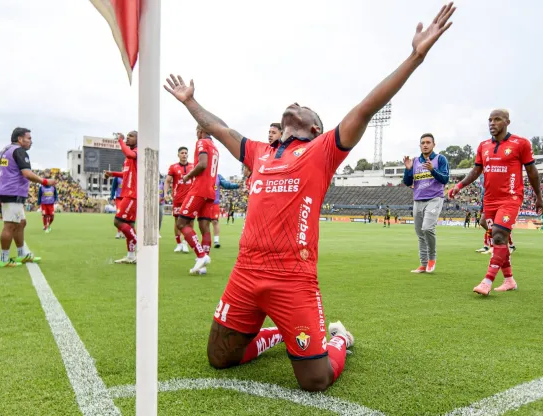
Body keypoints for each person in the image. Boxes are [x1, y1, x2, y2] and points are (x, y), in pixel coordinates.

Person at [163, 2, 455, 392]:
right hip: (246, 272)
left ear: (315, 128)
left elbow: (367, 107)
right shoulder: (259, 153)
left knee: (314, 380)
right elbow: (218, 127)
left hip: (292, 278)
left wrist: (415, 57)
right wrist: (189, 101)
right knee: (220, 359)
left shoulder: (322, 152)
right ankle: (272, 335)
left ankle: (339, 339)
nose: (295, 103)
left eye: (304, 108)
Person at [449, 109, 543, 295]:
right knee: (494, 234)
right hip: (490, 200)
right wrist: (459, 185)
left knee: (499, 236)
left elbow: (532, 171)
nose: (492, 123)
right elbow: (476, 171)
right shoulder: (483, 146)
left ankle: (487, 281)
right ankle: (509, 280)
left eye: (497, 119)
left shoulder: (520, 143)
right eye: (490, 120)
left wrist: (538, 196)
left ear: (507, 122)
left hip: (510, 197)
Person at [0, 127, 57, 268]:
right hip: (13, 192)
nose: (30, 141)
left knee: (21, 223)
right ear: (20, 139)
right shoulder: (19, 151)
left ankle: (21, 254)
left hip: (7, 190)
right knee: (10, 225)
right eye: (28, 138)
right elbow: (27, 174)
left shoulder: (5, 150)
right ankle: (3, 259)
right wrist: (45, 181)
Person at [402, 133, 449, 273]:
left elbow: (445, 179)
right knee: (420, 233)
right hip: (418, 200)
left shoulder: (440, 159)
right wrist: (408, 169)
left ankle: (432, 258)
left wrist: (432, 170)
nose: (425, 144)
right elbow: (407, 182)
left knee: (427, 228)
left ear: (434, 144)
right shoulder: (415, 161)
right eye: (423, 142)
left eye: (428, 142)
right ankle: (423, 264)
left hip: (434, 198)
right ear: (420, 145)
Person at [176, 126, 220, 274]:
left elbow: (202, 164)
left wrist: (188, 176)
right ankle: (203, 266)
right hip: (211, 191)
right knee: (204, 227)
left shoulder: (202, 142)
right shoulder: (215, 147)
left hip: (199, 189)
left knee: (181, 223)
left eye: (196, 130)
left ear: (201, 130)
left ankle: (201, 256)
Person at [104, 131, 138, 264]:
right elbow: (125, 174)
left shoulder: (137, 152)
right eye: (127, 136)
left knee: (118, 222)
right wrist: (112, 173)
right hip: (127, 193)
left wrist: (120, 140)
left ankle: (139, 244)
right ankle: (131, 255)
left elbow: (129, 153)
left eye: (131, 136)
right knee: (129, 224)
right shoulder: (129, 158)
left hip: (132, 194)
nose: (128, 138)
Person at [164, 146, 192, 253]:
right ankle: (179, 243)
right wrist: (166, 193)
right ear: (178, 155)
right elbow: (167, 181)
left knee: (189, 221)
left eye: (185, 153)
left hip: (190, 199)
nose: (184, 155)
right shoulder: (173, 167)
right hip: (178, 198)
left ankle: (185, 243)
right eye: (182, 153)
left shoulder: (193, 166)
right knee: (177, 221)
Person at [212, 173, 240, 248]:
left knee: (215, 221)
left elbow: (226, 184)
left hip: (215, 203)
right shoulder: (202, 173)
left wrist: (237, 185)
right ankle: (205, 242)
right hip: (204, 203)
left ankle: (216, 241)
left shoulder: (218, 176)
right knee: (203, 223)